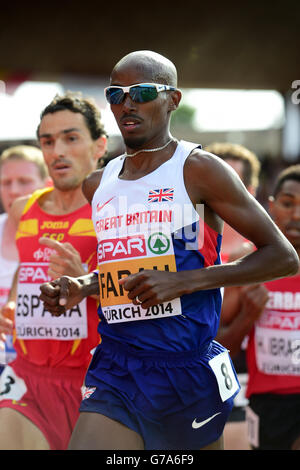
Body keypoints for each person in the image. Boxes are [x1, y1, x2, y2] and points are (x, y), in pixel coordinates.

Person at [39, 50, 299, 451]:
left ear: (172, 99)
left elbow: (282, 256)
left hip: (186, 369)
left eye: (142, 92)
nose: (128, 103)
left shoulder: (198, 169)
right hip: (117, 363)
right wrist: (82, 286)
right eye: (116, 94)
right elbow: (121, 268)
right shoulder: (98, 183)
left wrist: (186, 281)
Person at [0, 92, 107, 450]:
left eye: (71, 138)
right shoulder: (22, 210)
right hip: (28, 380)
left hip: (94, 384)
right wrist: (12, 308)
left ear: (99, 145)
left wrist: (88, 282)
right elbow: (24, 274)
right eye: (48, 141)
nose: (57, 150)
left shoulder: (114, 211)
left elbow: (145, 299)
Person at [204, 142, 263, 450]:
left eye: (232, 183)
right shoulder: (185, 249)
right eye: (212, 183)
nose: (219, 193)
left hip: (246, 379)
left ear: (250, 191)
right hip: (188, 377)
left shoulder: (269, 255)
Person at [243, 164, 300, 450]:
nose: (297, 215)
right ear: (272, 206)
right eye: (289, 204)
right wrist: (247, 316)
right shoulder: (248, 266)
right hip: (267, 401)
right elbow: (218, 344)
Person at [0, 145, 50, 369]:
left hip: (44, 367)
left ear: (47, 185)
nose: (13, 190)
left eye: (24, 181)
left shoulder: (66, 236)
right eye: (6, 182)